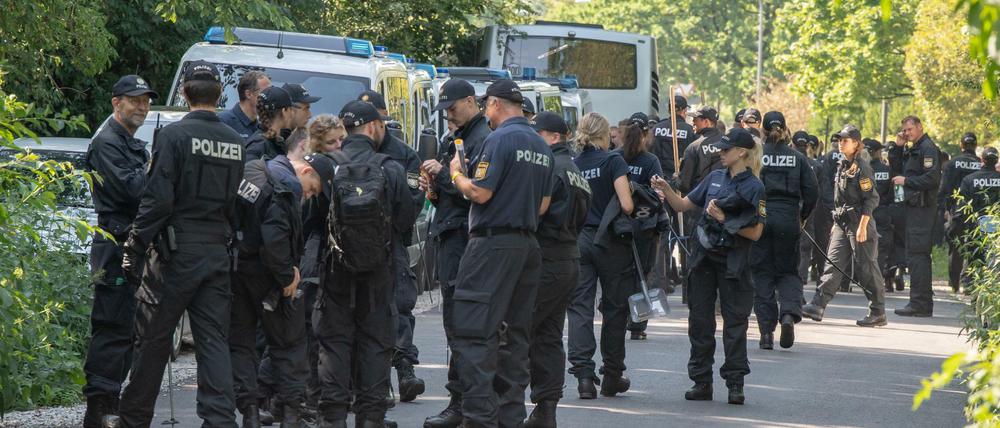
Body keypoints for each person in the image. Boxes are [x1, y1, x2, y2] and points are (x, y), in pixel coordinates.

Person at [109, 60, 245, 427]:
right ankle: (220, 420)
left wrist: (135, 247)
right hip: (217, 251)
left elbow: (157, 200)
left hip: (174, 255)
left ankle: (133, 420)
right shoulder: (236, 142)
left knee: (152, 342)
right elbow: (235, 203)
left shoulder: (172, 137)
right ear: (221, 96)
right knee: (213, 342)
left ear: (184, 94)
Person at [445, 79, 553, 427]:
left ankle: (478, 418)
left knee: (475, 332)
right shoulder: (542, 146)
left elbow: (480, 193)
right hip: (527, 246)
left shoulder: (499, 139)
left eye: (486, 106)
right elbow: (542, 206)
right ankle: (510, 416)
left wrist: (457, 175)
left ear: (494, 103)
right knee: (516, 336)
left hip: (492, 245)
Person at [308, 100, 416, 428]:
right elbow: (405, 222)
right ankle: (371, 418)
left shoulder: (325, 166)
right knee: (375, 345)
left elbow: (309, 221)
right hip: (378, 275)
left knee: (334, 345)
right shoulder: (390, 168)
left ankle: (334, 419)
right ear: (373, 127)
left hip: (335, 272)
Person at [654, 127, 765, 405]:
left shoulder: (755, 187)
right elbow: (681, 205)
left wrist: (724, 218)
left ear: (742, 152)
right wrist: (666, 189)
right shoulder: (714, 177)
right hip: (703, 260)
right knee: (700, 323)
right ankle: (701, 381)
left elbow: (755, 233)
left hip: (734, 263)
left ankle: (735, 384)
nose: (721, 153)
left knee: (735, 325)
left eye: (726, 149)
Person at [82, 74, 157, 427]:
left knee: (128, 326)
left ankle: (112, 399)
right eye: (135, 100)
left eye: (145, 101)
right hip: (113, 242)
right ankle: (99, 407)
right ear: (116, 102)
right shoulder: (107, 142)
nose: (142, 107)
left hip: (131, 240)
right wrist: (156, 166)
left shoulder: (133, 143)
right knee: (112, 323)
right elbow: (131, 191)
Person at [420, 78, 491, 428]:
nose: (448, 114)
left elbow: (473, 188)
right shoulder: (457, 137)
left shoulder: (481, 137)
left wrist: (443, 177)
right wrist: (433, 186)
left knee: (462, 322)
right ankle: (462, 401)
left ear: (470, 101)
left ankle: (462, 403)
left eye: (452, 107)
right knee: (456, 323)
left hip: (464, 236)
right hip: (451, 232)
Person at [356, 89, 427, 403]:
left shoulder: (405, 154)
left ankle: (405, 369)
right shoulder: (349, 151)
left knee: (400, 304)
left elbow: (415, 196)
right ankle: (376, 380)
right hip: (357, 243)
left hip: (393, 239)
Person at [229, 149, 308, 427]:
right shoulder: (285, 186)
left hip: (238, 269)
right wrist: (287, 276)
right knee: (288, 344)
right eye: (309, 191)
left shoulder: (250, 171)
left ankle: (249, 411)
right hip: (270, 277)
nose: (307, 196)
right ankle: (291, 415)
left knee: (242, 344)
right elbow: (274, 237)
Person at [523, 111, 592, 427]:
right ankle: (545, 410)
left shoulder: (550, 167)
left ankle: (505, 405)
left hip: (546, 259)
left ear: (552, 136)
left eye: (537, 134)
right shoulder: (574, 168)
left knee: (518, 332)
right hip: (568, 258)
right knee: (548, 335)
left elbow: (536, 213)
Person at [566, 112, 635, 399]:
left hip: (580, 240)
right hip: (610, 241)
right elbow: (627, 205)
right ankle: (612, 374)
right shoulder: (613, 160)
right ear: (605, 134)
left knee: (580, 308)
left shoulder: (574, 164)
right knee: (614, 308)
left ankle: (583, 375)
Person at [801, 125, 887, 327]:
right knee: (833, 263)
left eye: (845, 140)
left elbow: (871, 200)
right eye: (839, 140)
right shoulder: (842, 164)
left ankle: (878, 311)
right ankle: (818, 304)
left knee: (865, 267)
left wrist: (863, 226)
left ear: (856, 143)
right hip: (842, 222)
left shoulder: (862, 168)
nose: (841, 144)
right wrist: (835, 222)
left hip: (859, 222)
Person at [752, 112, 818, 350]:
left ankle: (766, 333)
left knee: (762, 274)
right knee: (789, 272)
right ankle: (788, 314)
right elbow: (812, 192)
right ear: (786, 129)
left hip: (761, 218)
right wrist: (802, 216)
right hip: (789, 218)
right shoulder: (798, 157)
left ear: (763, 130)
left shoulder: (756, 156)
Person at [615, 112, 664, 340]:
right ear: (646, 134)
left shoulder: (614, 157)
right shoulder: (651, 161)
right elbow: (659, 194)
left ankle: (619, 315)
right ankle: (638, 324)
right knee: (642, 273)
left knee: (619, 272)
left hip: (617, 225)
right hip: (644, 225)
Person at [890, 116, 942, 317]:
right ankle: (920, 303)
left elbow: (932, 178)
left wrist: (907, 181)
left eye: (910, 129)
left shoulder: (927, 148)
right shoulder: (913, 148)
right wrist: (897, 147)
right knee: (914, 255)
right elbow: (895, 171)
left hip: (923, 209)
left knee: (918, 255)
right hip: (912, 208)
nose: (907, 133)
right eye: (905, 130)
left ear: (920, 127)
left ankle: (919, 303)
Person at [941, 133, 982, 292]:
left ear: (961, 145)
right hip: (977, 213)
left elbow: (945, 189)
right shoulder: (981, 163)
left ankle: (954, 284)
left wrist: (946, 209)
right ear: (976, 145)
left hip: (957, 211)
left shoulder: (953, 163)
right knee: (973, 247)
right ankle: (968, 282)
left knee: (956, 248)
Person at [955, 147, 1000, 289]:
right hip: (997, 225)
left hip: (976, 225)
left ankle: (974, 288)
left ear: (982, 160)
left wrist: (958, 226)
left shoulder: (969, 179)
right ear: (996, 161)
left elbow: (962, 206)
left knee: (976, 258)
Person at [794, 132, 826, 290]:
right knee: (805, 248)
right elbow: (818, 192)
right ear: (808, 146)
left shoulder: (790, 161)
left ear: (793, 145)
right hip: (809, 210)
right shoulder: (816, 166)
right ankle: (800, 281)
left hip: (789, 209)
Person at [863, 139, 895, 293]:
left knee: (863, 245)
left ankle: (864, 279)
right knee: (881, 248)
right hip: (882, 211)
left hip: (865, 212)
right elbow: (892, 194)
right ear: (876, 152)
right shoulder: (887, 170)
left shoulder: (862, 169)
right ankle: (878, 279)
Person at [245, 86, 295, 162]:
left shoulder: (277, 141)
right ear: (284, 111)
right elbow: (248, 171)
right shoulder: (258, 145)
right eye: (291, 109)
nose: (292, 113)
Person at [651, 94, 694, 179]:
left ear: (669, 110)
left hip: (659, 177)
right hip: (681, 178)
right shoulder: (690, 130)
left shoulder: (656, 128)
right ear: (684, 110)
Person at [220, 70, 271, 141]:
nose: (270, 96)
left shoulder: (263, 126)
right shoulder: (224, 122)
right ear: (248, 94)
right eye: (266, 92)